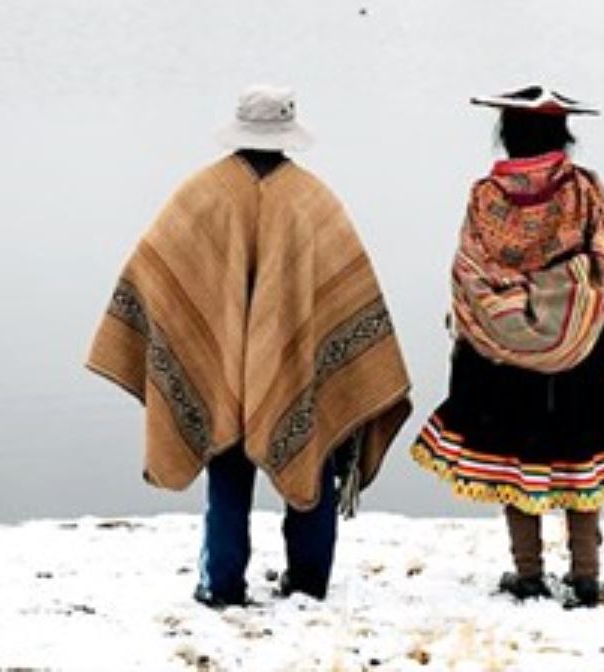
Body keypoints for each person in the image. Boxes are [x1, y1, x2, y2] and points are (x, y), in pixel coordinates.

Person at [87, 85, 412, 607]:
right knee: (314, 459)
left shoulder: (200, 194)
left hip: (220, 370)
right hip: (298, 370)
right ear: (288, 135)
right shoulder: (316, 202)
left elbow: (150, 273)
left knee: (227, 466)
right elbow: (349, 298)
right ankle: (308, 583)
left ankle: (222, 584)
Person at [410, 84, 604, 609]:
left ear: (508, 136)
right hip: (580, 350)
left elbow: (467, 273)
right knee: (579, 459)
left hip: (500, 357)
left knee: (515, 462)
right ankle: (586, 576)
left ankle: (529, 573)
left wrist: (492, 324)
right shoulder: (586, 192)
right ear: (563, 135)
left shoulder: (484, 197)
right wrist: (600, 330)